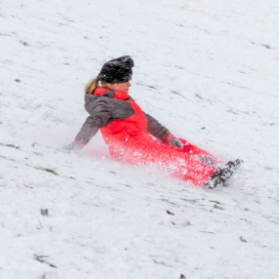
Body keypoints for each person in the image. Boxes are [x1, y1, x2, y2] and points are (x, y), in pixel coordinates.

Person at [63, 56, 241, 189]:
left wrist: (168, 136)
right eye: (126, 81)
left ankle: (217, 166)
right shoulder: (105, 102)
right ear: (114, 84)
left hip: (144, 144)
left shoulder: (123, 101)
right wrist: (78, 143)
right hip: (133, 150)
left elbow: (148, 121)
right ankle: (208, 177)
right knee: (173, 157)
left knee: (182, 145)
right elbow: (93, 122)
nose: (129, 85)